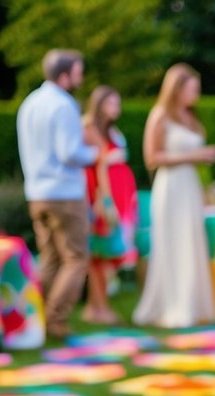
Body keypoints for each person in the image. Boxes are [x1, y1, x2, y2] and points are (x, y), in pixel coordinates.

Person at [17, 49, 99, 340]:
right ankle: (56, 321)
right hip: (64, 193)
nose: (81, 77)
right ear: (64, 75)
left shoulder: (30, 103)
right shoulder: (64, 105)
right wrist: (95, 152)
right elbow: (69, 153)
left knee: (50, 259)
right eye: (78, 71)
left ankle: (34, 317)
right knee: (76, 258)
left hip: (37, 193)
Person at [133, 63, 215, 328]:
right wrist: (194, 155)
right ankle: (172, 305)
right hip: (170, 187)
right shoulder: (160, 115)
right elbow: (151, 157)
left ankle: (193, 303)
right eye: (193, 89)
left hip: (190, 186)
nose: (196, 94)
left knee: (191, 243)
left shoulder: (190, 117)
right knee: (173, 243)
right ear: (177, 88)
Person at [82, 86, 138, 324]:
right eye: (111, 103)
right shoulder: (89, 128)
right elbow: (99, 167)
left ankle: (98, 306)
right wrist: (104, 201)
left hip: (120, 196)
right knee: (100, 254)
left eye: (118, 103)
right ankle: (98, 306)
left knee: (109, 253)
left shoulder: (110, 130)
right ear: (99, 104)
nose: (116, 108)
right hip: (103, 199)